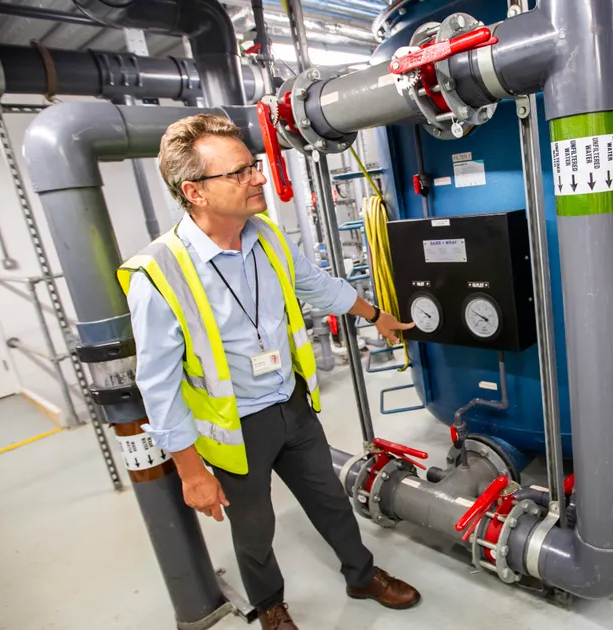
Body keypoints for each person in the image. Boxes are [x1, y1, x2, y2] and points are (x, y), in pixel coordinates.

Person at [119, 114, 419, 630]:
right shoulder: (158, 272)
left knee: (330, 500)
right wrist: (191, 472)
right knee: (254, 529)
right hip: (237, 428)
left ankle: (361, 574)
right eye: (239, 173)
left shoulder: (269, 237)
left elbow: (317, 285)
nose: (258, 178)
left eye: (252, 166)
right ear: (195, 191)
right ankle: (271, 607)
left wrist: (376, 314)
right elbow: (159, 383)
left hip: (293, 405)